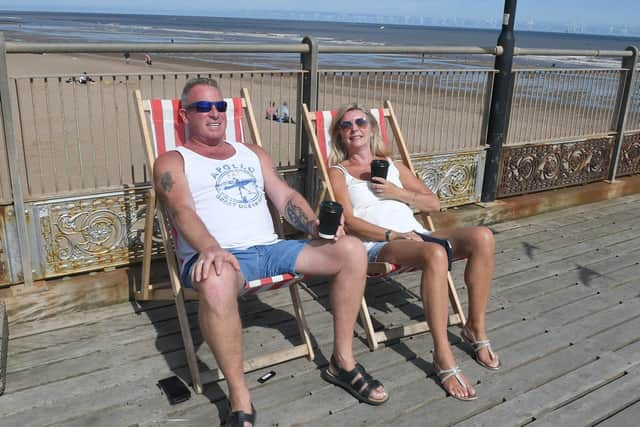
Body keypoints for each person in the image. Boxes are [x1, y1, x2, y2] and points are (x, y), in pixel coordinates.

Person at [153, 80, 389, 426]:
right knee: (216, 281)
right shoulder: (173, 160)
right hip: (221, 257)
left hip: (272, 249)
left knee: (351, 249)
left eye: (221, 106)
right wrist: (211, 247)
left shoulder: (252, 153)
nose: (215, 113)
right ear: (184, 113)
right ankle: (240, 399)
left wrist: (313, 226)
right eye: (203, 107)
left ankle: (343, 362)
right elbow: (181, 210)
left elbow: (284, 197)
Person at [327, 103, 500, 402]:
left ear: (371, 129)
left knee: (483, 236)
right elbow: (351, 221)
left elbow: (433, 204)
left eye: (360, 122)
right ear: (340, 136)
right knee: (434, 254)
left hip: (417, 234)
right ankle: (443, 355)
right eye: (346, 125)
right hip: (379, 244)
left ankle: (475, 329)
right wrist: (392, 234)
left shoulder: (393, 166)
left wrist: (398, 193)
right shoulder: (339, 172)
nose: (354, 128)